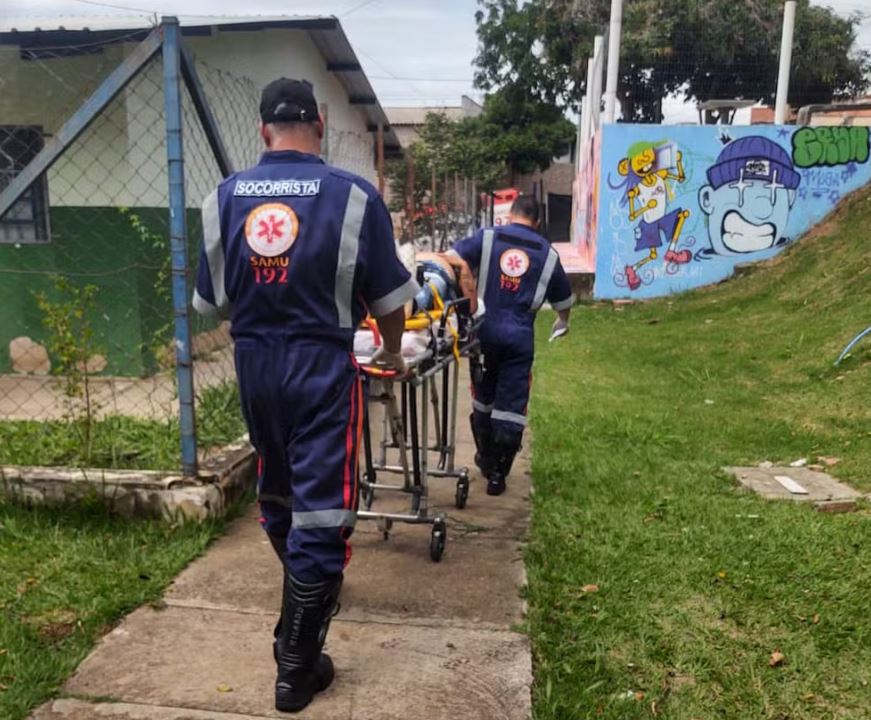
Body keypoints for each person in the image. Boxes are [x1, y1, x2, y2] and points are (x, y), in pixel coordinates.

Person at [192, 78, 417, 713]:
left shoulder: (222, 199)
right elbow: (391, 302)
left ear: (263, 130)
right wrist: (393, 351)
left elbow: (213, 305)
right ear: (318, 122)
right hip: (321, 364)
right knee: (324, 514)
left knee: (280, 494)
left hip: (256, 364)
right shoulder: (353, 197)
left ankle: (298, 632)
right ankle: (294, 667)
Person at [447, 195, 572, 496]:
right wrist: (562, 322)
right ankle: (498, 475)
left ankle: (485, 459)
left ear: (510, 215)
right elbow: (564, 300)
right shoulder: (548, 253)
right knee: (512, 405)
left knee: (483, 396)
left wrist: (467, 289)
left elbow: (453, 257)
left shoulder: (489, 237)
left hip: (484, 331)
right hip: (519, 337)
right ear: (538, 222)